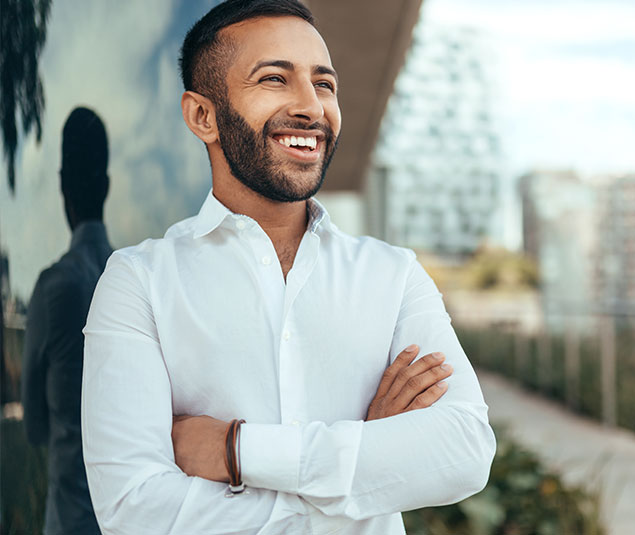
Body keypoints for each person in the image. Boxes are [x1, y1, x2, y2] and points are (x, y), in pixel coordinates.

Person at [81, 1, 495, 533]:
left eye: (324, 84)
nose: (311, 106)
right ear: (202, 116)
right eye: (274, 79)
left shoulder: (394, 276)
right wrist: (364, 464)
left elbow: (465, 450)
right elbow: (133, 510)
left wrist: (237, 450)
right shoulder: (138, 282)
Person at [23, 106, 111, 535]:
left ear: (62, 187)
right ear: (107, 188)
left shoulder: (53, 288)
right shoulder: (133, 282)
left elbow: (35, 428)